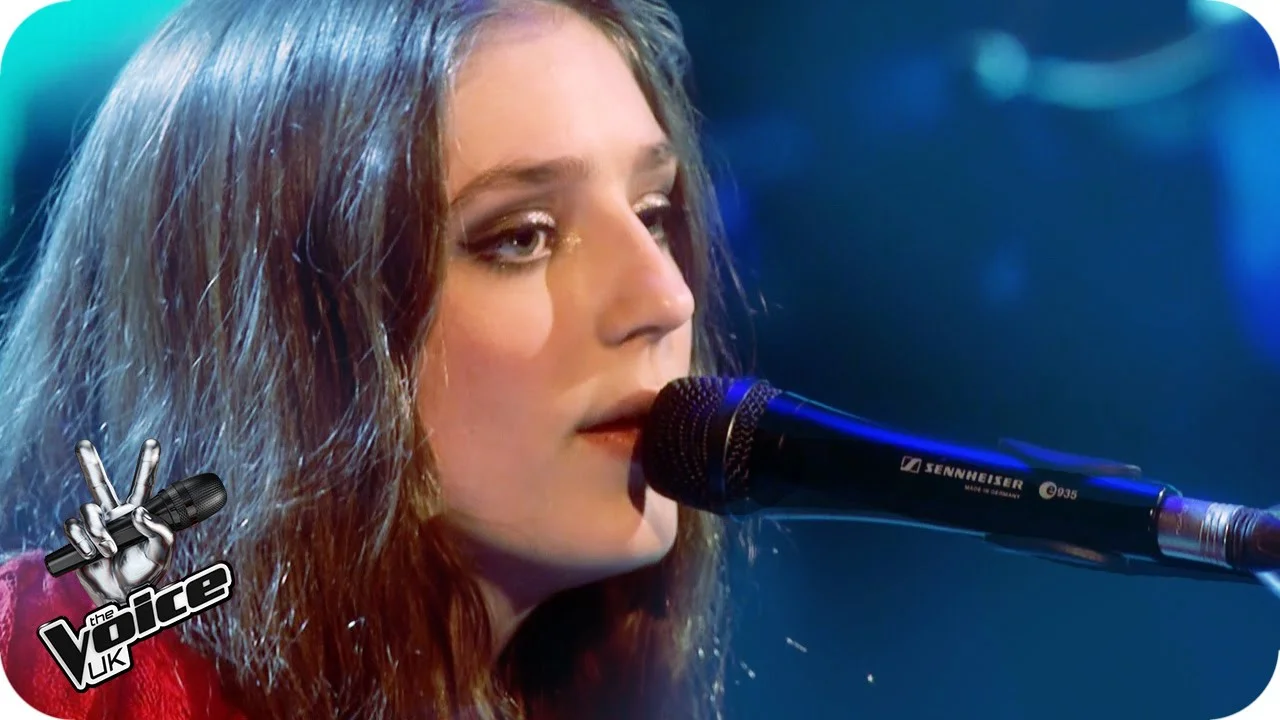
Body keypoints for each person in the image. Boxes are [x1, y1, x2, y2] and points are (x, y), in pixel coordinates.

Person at [0, 0, 744, 717]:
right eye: (522, 236)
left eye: (652, 214)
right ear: (287, 330)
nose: (666, 297)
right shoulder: (53, 661)